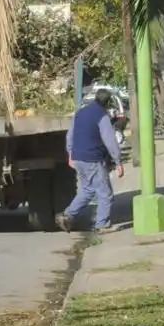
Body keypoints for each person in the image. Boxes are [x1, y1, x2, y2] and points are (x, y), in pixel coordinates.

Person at [58, 88, 124, 233]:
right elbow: (110, 141)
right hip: (93, 159)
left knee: (87, 189)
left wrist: (70, 154)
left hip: (79, 158)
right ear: (107, 103)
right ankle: (102, 225)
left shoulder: (80, 113)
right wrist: (118, 161)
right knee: (105, 192)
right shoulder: (102, 116)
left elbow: (70, 136)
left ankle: (67, 215)